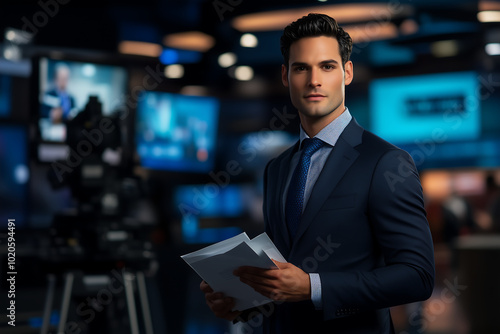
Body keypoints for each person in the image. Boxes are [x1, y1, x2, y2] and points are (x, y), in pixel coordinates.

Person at [200, 13, 435, 333]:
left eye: (327, 66)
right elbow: (281, 277)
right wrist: (239, 302)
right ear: (286, 76)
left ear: (346, 72)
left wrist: (314, 287)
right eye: (301, 68)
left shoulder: (385, 162)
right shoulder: (277, 168)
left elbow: (416, 277)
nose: (314, 80)